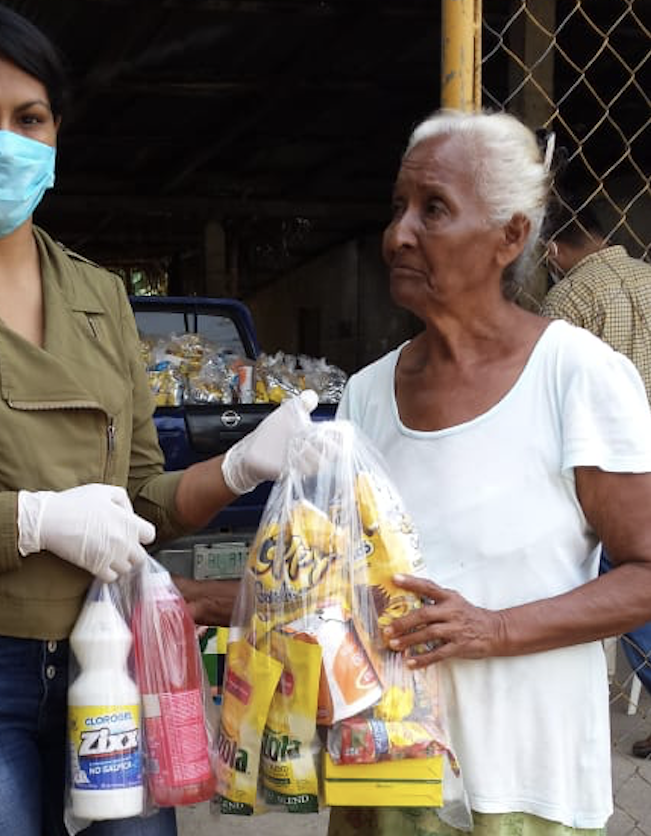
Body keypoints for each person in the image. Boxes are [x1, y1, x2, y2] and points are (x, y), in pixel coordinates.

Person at [0, 4, 316, 836]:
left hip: (109, 646)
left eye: (28, 119)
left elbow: (137, 499)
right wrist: (33, 519)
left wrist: (242, 466)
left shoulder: (102, 298)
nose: (4, 139)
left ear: (55, 135)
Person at [329, 109, 651, 836]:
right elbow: (337, 580)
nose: (398, 234)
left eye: (433, 209)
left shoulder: (575, 374)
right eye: (398, 208)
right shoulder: (366, 395)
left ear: (510, 236)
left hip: (526, 785)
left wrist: (494, 629)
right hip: (387, 773)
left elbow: (645, 570)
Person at [542, 199, 651, 759]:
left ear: (553, 249)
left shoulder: (568, 297)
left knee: (623, 584)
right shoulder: (648, 278)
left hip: (608, 474)